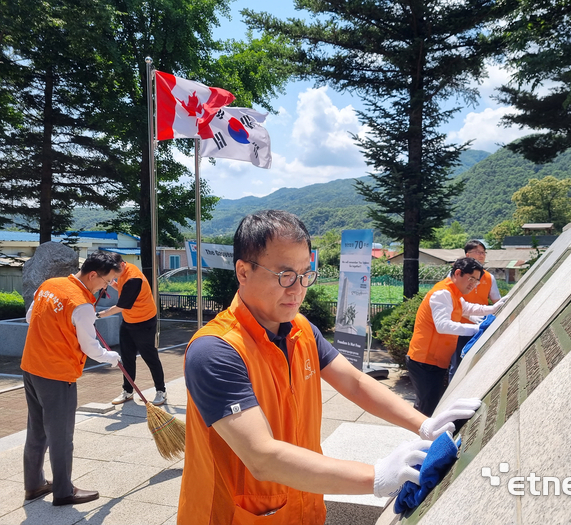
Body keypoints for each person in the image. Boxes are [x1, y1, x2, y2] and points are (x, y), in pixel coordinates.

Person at [177, 210, 481, 524]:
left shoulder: (301, 329)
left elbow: (354, 383)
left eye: (305, 274)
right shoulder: (215, 350)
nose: (297, 289)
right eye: (284, 275)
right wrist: (376, 477)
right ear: (243, 271)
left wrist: (424, 425)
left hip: (304, 507)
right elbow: (261, 456)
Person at [21, 251, 122, 506]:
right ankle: (64, 492)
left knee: (36, 430)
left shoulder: (49, 285)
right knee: (61, 435)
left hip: (31, 366)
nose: (106, 287)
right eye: (106, 281)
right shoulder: (82, 305)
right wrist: (113, 357)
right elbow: (91, 349)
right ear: (92, 275)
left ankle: (33, 485)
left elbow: (30, 317)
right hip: (56, 374)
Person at [406, 257, 507, 416]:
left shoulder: (453, 293)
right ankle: (423, 437)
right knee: (427, 409)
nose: (473, 285)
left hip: (434, 361)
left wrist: (493, 308)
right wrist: (477, 329)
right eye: (471, 279)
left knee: (429, 406)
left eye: (476, 281)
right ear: (458, 273)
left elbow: (467, 308)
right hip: (424, 361)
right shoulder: (442, 293)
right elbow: (443, 325)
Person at [98, 259, 167, 406]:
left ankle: (161, 390)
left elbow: (121, 305)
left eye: (114, 273)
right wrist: (111, 284)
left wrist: (99, 315)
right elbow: (123, 290)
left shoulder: (133, 278)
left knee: (150, 357)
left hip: (144, 321)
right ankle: (128, 391)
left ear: (122, 265)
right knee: (127, 357)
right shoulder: (123, 271)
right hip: (129, 321)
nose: (113, 276)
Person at [448, 240, 503, 381]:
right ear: (467, 254)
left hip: (481, 328)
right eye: (478, 252)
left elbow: (496, 300)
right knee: (457, 366)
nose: (481, 255)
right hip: (459, 327)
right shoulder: (455, 275)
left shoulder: (489, 277)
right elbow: (454, 301)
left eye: (483, 252)